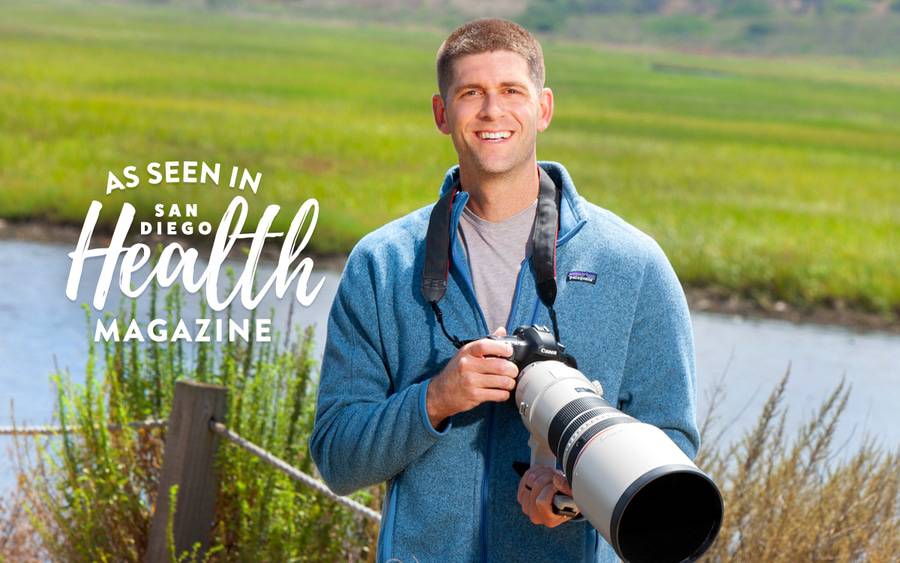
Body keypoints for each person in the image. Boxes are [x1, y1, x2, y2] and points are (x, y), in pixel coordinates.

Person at [309, 18, 700, 563]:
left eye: (512, 91)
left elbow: (673, 450)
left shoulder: (631, 264)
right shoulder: (384, 264)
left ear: (543, 107)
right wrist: (436, 398)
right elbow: (337, 457)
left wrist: (573, 498)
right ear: (442, 114)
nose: (493, 112)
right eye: (472, 93)